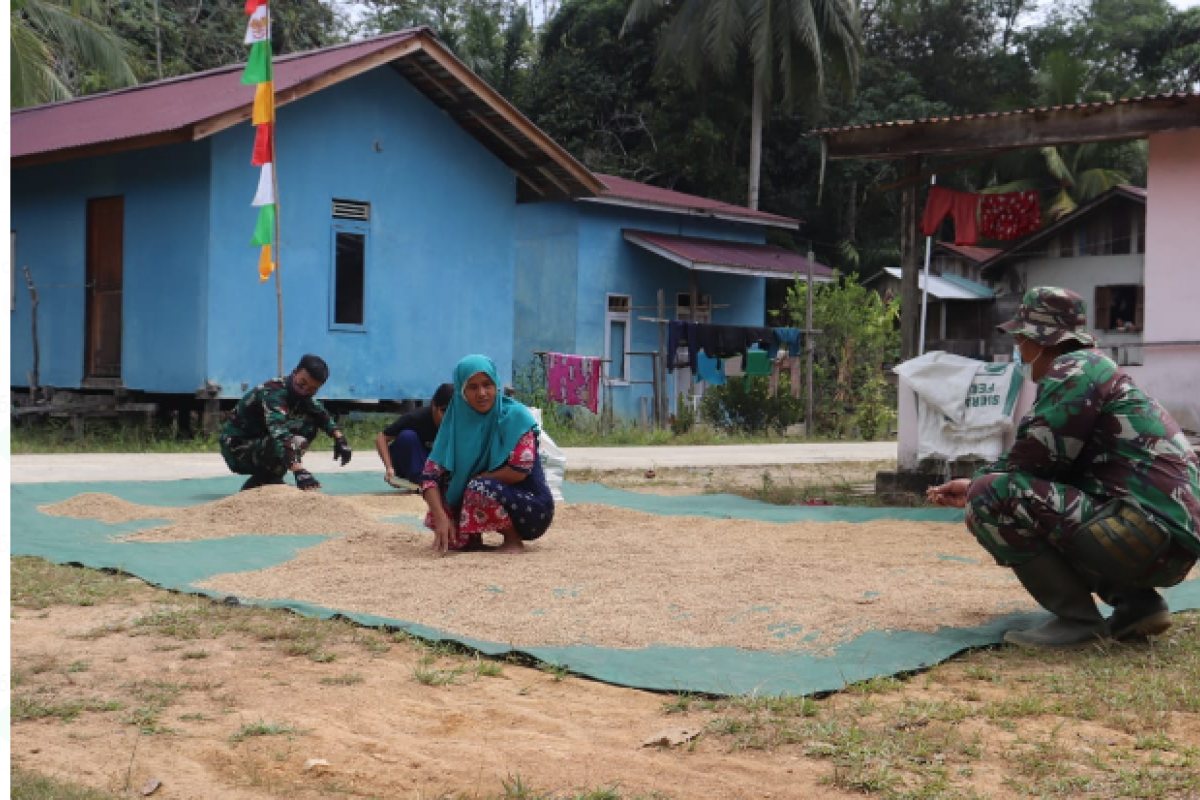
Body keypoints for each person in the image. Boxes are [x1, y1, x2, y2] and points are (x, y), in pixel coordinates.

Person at [927, 287, 1200, 648]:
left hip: (1142, 533)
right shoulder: (1098, 371)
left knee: (991, 496)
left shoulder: (1076, 370)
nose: (1020, 352)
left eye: (1021, 340)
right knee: (1032, 500)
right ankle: (1138, 605)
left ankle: (1078, 622)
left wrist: (978, 486)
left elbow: (1036, 457)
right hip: (1164, 541)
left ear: (1042, 339)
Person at [418, 355, 554, 554]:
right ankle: (470, 539)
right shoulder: (454, 421)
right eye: (472, 387)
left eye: (487, 385)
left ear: (496, 385)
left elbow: (519, 471)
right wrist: (440, 516)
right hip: (487, 490)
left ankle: (513, 540)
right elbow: (429, 476)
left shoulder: (516, 417)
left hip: (531, 508)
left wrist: (480, 478)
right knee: (449, 484)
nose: (482, 393)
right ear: (461, 391)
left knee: (476, 486)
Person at [219, 354, 353, 492]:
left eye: (313, 389)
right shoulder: (273, 392)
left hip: (259, 442)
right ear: (294, 373)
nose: (305, 391)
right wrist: (298, 470)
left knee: (310, 425)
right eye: (302, 384)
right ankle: (263, 481)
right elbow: (279, 432)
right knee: (294, 440)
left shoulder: (302, 395)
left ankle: (270, 478)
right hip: (236, 449)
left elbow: (321, 414)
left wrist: (340, 439)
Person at [374, 383, 454, 488]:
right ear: (434, 405)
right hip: (414, 465)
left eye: (452, 413)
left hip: (437, 466)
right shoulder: (416, 418)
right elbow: (381, 438)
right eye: (444, 411)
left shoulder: (459, 422)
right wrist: (389, 468)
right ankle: (419, 479)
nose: (447, 418)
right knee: (407, 437)